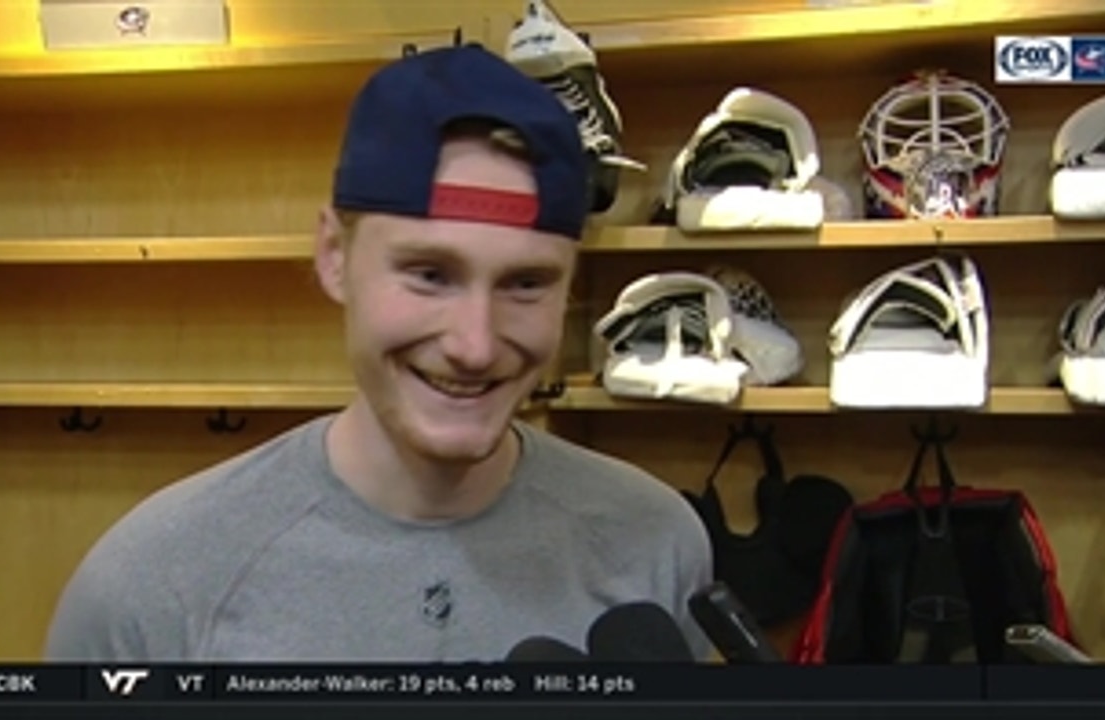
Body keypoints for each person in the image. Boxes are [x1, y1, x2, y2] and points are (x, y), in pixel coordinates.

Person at [44, 44, 713, 662]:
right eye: (429, 274)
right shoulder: (155, 583)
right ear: (334, 257)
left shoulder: (655, 544)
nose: (474, 345)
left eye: (526, 283)